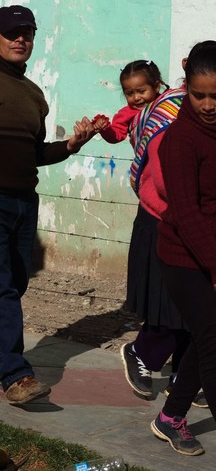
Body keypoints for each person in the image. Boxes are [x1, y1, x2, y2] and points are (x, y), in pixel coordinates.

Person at [0, 4, 97, 405]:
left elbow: (32, 153)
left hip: (22, 203)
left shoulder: (33, 94)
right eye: (11, 33)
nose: (20, 39)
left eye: (27, 33)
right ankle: (15, 375)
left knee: (13, 284)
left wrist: (70, 146)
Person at [93, 63, 201, 404]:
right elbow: (162, 174)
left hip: (193, 218)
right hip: (167, 217)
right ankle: (143, 354)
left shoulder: (190, 107)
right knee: (173, 304)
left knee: (194, 309)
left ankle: (185, 375)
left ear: (157, 84)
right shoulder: (172, 112)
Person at [151, 40, 216, 456]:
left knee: (207, 336)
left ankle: (170, 417)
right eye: (199, 95)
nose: (208, 105)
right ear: (185, 88)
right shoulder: (181, 140)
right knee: (213, 341)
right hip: (185, 257)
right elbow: (188, 215)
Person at [93, 59, 167, 144]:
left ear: (156, 87)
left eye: (141, 91)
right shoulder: (126, 114)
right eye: (129, 93)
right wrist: (105, 129)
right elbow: (116, 136)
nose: (136, 97)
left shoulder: (168, 101)